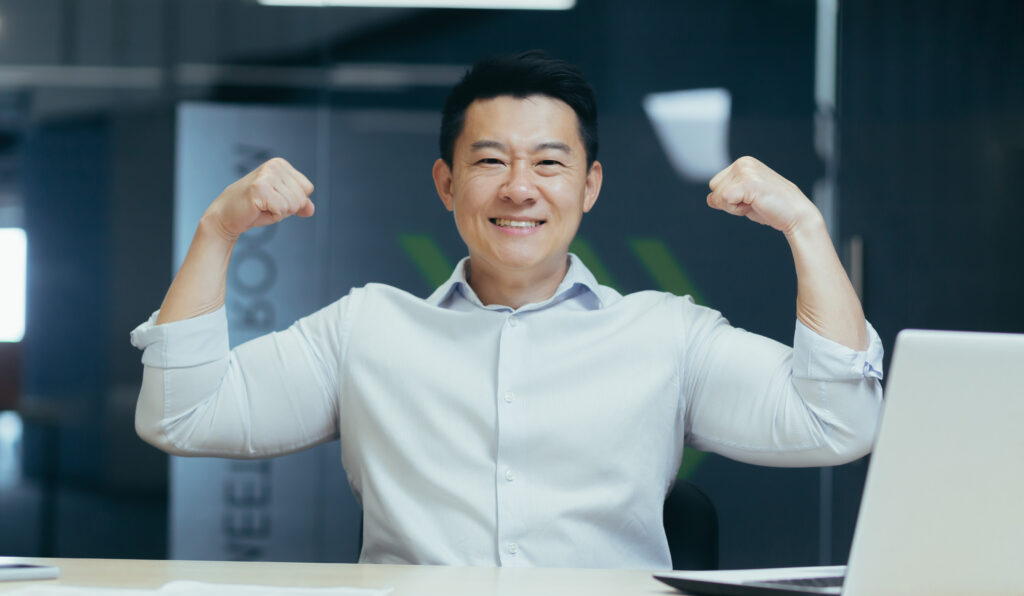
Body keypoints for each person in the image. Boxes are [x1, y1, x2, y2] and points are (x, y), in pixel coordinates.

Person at [132, 51, 883, 569]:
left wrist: (805, 228)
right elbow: (181, 415)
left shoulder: (666, 334)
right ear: (446, 183)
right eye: (490, 160)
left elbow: (839, 420)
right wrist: (217, 231)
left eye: (549, 163)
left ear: (589, 186)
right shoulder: (367, 329)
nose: (520, 187)